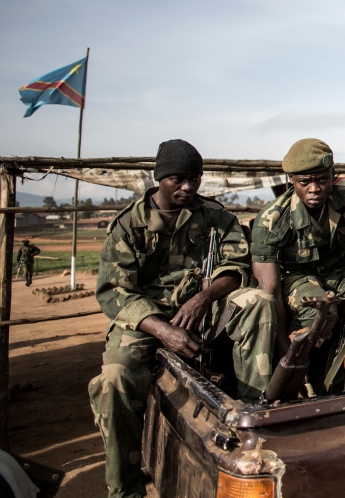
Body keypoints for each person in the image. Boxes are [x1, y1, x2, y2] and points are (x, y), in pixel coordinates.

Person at [89, 139, 276, 498]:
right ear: (160, 178)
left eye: (195, 178)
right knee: (114, 379)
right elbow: (114, 291)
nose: (188, 187)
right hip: (146, 317)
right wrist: (163, 329)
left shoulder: (215, 216)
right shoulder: (129, 225)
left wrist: (204, 297)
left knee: (256, 301)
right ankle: (125, 487)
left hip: (206, 306)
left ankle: (254, 419)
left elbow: (236, 266)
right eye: (178, 179)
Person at [251, 139, 345, 361]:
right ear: (291, 181)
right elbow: (271, 291)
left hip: (340, 270)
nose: (314, 188)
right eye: (304, 182)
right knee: (319, 312)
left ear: (332, 175)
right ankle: (303, 374)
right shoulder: (271, 220)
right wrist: (282, 352)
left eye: (322, 180)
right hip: (297, 277)